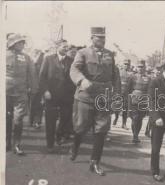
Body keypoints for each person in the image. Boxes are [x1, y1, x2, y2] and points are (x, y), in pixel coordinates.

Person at [69, 27, 120, 176]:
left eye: (104, 38)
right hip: (85, 96)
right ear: (92, 38)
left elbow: (114, 76)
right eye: (99, 38)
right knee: (80, 127)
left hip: (103, 97)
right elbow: (74, 69)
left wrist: (117, 96)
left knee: (101, 130)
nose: (102, 41)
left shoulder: (110, 55)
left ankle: (94, 162)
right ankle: (75, 147)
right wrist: (81, 80)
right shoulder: (83, 53)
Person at [39, 39, 76, 152]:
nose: (66, 48)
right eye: (64, 46)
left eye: (67, 47)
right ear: (57, 47)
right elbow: (42, 77)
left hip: (67, 96)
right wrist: (45, 91)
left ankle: (59, 135)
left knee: (65, 118)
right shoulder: (49, 59)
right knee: (50, 120)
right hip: (51, 95)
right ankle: (50, 144)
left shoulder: (71, 61)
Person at [6, 33, 38, 154]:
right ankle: (6, 142)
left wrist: (34, 88)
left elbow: (32, 73)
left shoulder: (26, 57)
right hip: (5, 92)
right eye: (20, 42)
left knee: (18, 118)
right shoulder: (3, 55)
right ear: (12, 44)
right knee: (6, 118)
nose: (22, 45)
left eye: (23, 42)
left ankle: (17, 145)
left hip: (21, 92)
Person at [127, 60, 150, 143]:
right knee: (135, 118)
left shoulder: (148, 78)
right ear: (136, 68)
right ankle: (135, 135)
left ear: (144, 68)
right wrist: (128, 101)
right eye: (139, 67)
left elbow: (149, 90)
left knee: (140, 119)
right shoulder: (132, 77)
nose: (140, 68)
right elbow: (129, 90)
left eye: (142, 67)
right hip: (134, 100)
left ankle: (136, 134)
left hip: (143, 101)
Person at [113, 59, 131, 130]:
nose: (126, 65)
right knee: (117, 107)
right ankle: (116, 118)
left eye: (127, 64)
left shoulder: (131, 74)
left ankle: (124, 123)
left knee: (125, 109)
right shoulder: (119, 72)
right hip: (119, 92)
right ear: (122, 64)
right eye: (125, 64)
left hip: (126, 93)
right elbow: (115, 82)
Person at [29, 49, 44, 129]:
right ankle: (32, 121)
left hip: (40, 87)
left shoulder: (42, 63)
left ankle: (37, 122)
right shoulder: (31, 63)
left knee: (39, 105)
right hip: (32, 87)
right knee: (32, 105)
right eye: (37, 54)